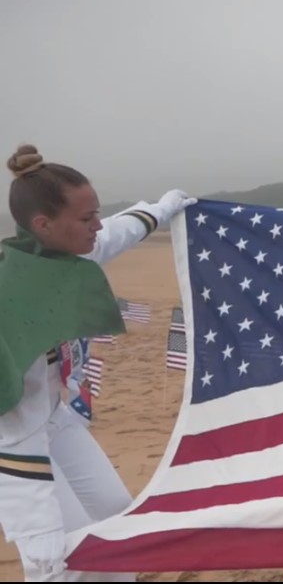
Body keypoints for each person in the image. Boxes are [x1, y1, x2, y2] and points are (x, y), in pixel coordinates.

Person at [0, 144, 196, 581]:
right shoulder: (10, 303)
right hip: (15, 437)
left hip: (55, 416)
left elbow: (116, 233)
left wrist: (160, 209)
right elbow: (8, 427)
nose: (98, 225)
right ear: (42, 225)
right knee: (56, 559)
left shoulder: (65, 254)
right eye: (86, 218)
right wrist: (36, 529)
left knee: (115, 521)